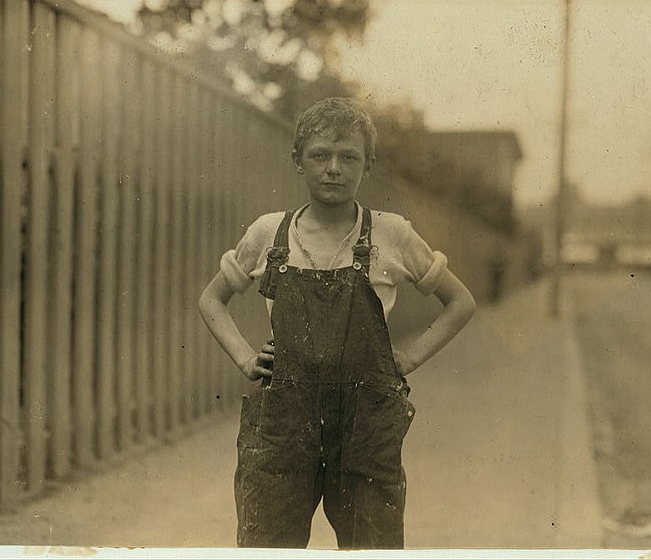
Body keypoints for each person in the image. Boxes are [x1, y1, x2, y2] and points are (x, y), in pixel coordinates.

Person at [199, 97, 476, 549]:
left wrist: (407, 358)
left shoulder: (392, 234)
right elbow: (212, 299)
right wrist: (247, 359)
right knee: (267, 545)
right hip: (285, 427)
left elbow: (460, 302)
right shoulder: (269, 233)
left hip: (365, 425)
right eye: (320, 156)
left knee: (371, 546)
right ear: (297, 161)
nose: (333, 168)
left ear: (368, 166)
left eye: (348, 157)